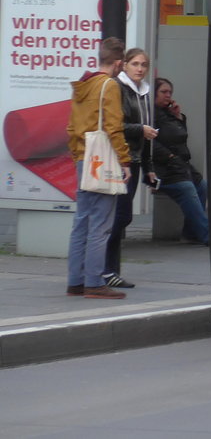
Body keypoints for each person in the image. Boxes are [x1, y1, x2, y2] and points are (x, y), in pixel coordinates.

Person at [66, 37, 131, 300]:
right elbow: (114, 127)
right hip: (101, 159)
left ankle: (75, 281)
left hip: (83, 157)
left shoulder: (83, 84)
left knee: (82, 221)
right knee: (101, 223)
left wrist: (77, 154)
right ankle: (94, 282)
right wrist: (124, 160)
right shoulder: (109, 86)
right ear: (117, 63)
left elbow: (71, 127)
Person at [102, 47, 158, 289]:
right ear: (124, 65)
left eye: (143, 65)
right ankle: (106, 270)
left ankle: (107, 269)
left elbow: (146, 132)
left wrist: (149, 167)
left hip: (134, 160)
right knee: (118, 216)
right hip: (118, 159)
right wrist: (140, 130)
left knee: (120, 217)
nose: (139, 68)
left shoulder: (143, 92)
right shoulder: (119, 88)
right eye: (135, 63)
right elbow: (116, 124)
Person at [151, 77, 209, 244]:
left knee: (202, 186)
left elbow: (181, 136)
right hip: (164, 167)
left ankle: (191, 232)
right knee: (187, 188)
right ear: (154, 94)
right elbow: (151, 143)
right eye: (163, 92)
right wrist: (169, 156)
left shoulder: (169, 114)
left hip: (181, 164)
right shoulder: (151, 115)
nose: (167, 95)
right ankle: (205, 234)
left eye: (170, 92)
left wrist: (177, 117)